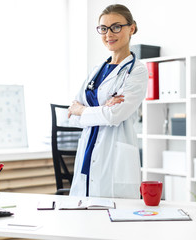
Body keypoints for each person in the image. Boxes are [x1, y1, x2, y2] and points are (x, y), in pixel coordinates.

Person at [67, 4, 148, 199]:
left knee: (110, 222)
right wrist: (99, 110)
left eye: (116, 27)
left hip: (114, 160)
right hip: (88, 153)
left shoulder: (137, 70)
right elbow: (71, 116)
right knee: (81, 220)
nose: (108, 34)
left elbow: (114, 116)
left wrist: (84, 111)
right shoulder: (96, 70)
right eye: (103, 28)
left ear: (132, 28)